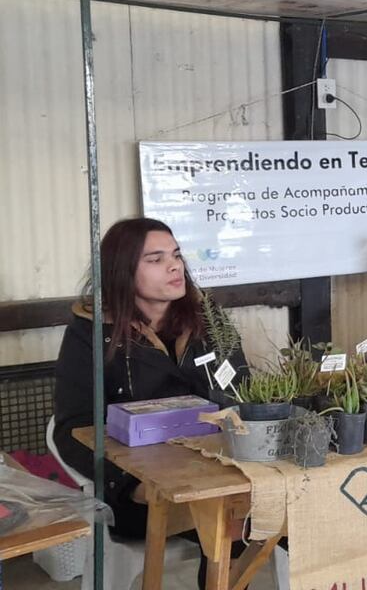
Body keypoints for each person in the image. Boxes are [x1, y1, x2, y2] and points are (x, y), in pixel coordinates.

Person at [52, 217, 245, 588]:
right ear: (123, 271)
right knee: (231, 522)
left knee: (272, 512)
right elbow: (72, 430)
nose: (174, 266)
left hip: (218, 470)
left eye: (176, 255)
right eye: (156, 259)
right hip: (139, 488)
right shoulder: (91, 332)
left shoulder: (207, 318)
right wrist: (129, 485)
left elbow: (242, 391)